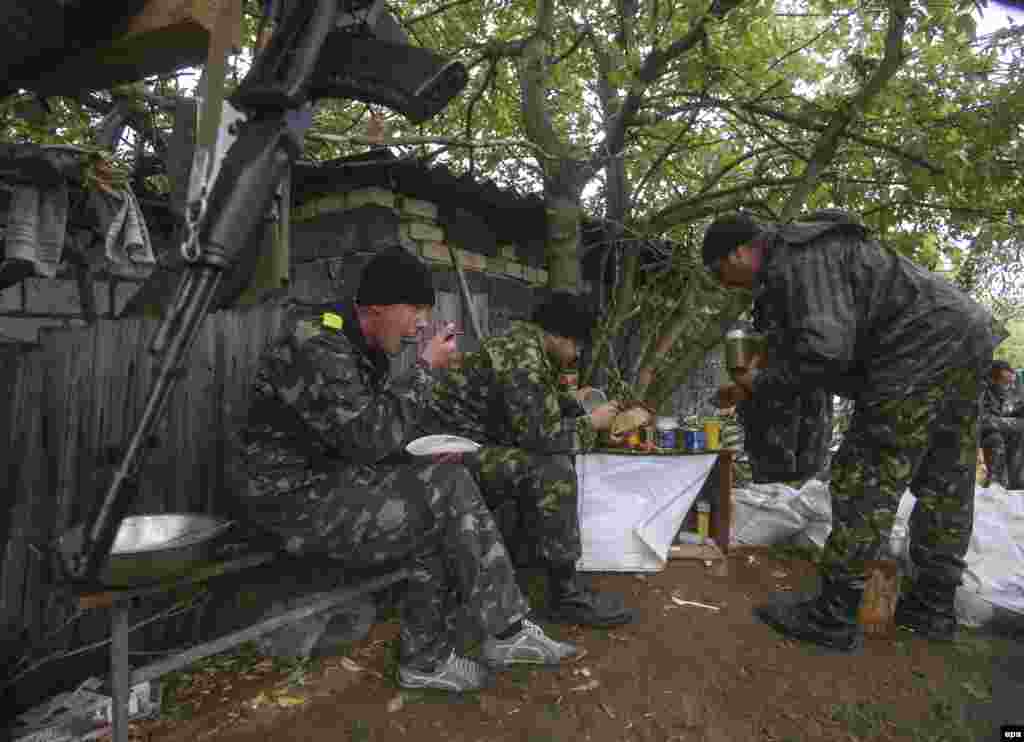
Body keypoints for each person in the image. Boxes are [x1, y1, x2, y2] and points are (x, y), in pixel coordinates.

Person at [231, 245, 578, 693]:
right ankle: (503, 632)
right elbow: (368, 437)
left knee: (442, 494)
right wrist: (424, 371)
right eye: (415, 310)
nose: (420, 323)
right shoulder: (315, 341)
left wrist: (424, 454)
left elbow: (370, 440)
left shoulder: (358, 345)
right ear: (377, 307)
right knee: (445, 493)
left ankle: (428, 659)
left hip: (330, 483)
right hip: (288, 498)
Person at [702, 211, 1001, 649]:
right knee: (947, 474)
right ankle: (932, 607)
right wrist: (758, 382)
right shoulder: (807, 257)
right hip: (962, 331)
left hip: (916, 345)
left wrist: (762, 385)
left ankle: (834, 612)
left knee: (868, 470)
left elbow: (825, 350)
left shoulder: (797, 258)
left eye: (720, 273)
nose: (725, 284)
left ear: (739, 252)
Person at [425, 291, 640, 627]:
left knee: (541, 462)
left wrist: (571, 403)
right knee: (550, 468)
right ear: (557, 336)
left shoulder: (524, 346)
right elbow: (543, 437)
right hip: (448, 456)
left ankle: (533, 571)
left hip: (469, 445)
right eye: (578, 345)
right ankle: (566, 596)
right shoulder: (521, 354)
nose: (578, 354)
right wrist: (591, 424)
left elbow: (530, 407)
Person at [716, 325, 833, 486]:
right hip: (775, 451)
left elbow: (805, 372)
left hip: (797, 452)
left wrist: (752, 382)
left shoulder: (808, 322)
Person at [979, 359, 1024, 488]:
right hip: (983, 429)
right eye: (1005, 382)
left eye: (1012, 381)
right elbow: (983, 420)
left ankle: (1016, 484)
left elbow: (1007, 410)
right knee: (997, 437)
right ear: (992, 380)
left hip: (998, 429)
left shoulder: (1012, 388)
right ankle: (996, 484)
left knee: (1017, 434)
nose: (1010, 386)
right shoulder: (982, 390)